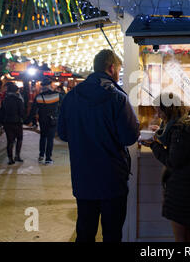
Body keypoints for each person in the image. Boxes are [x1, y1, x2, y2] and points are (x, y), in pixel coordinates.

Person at [58, 49, 139, 242]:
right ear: (111, 68)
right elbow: (129, 137)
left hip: (83, 177)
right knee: (112, 234)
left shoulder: (72, 96)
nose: (118, 74)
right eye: (118, 69)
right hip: (112, 179)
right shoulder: (118, 98)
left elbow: (62, 134)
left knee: (85, 232)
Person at [141, 92, 190, 242]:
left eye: (159, 110)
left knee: (181, 235)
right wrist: (159, 132)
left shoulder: (181, 130)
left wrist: (153, 145)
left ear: (168, 109)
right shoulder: (186, 124)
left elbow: (172, 161)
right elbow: (174, 142)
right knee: (189, 233)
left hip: (182, 188)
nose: (158, 114)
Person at [29, 78, 61, 165]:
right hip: (53, 120)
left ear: (43, 86)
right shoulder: (57, 95)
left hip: (42, 120)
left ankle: (41, 155)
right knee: (50, 139)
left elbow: (33, 110)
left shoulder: (39, 96)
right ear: (50, 85)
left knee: (43, 137)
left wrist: (32, 121)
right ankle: (48, 158)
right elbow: (62, 107)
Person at [0, 82, 24, 165]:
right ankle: (17, 156)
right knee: (19, 139)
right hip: (17, 122)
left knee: (10, 141)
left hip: (7, 122)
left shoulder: (5, 100)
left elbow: (1, 112)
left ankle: (10, 159)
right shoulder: (19, 100)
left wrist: (2, 121)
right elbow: (21, 112)